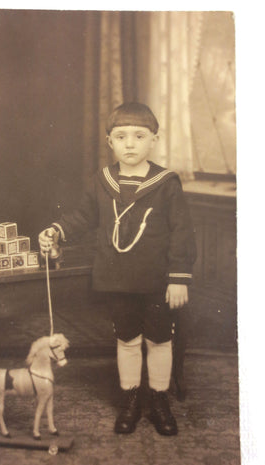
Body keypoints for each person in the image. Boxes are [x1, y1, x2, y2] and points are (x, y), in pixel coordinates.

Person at [38, 102, 197, 436]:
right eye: (121, 136)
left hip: (157, 282)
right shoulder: (103, 180)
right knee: (126, 339)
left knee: (158, 341)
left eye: (139, 136)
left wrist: (179, 277)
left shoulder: (167, 183)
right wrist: (57, 230)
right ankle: (130, 400)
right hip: (117, 279)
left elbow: (182, 232)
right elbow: (83, 217)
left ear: (154, 139)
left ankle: (158, 400)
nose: (130, 144)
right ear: (110, 142)